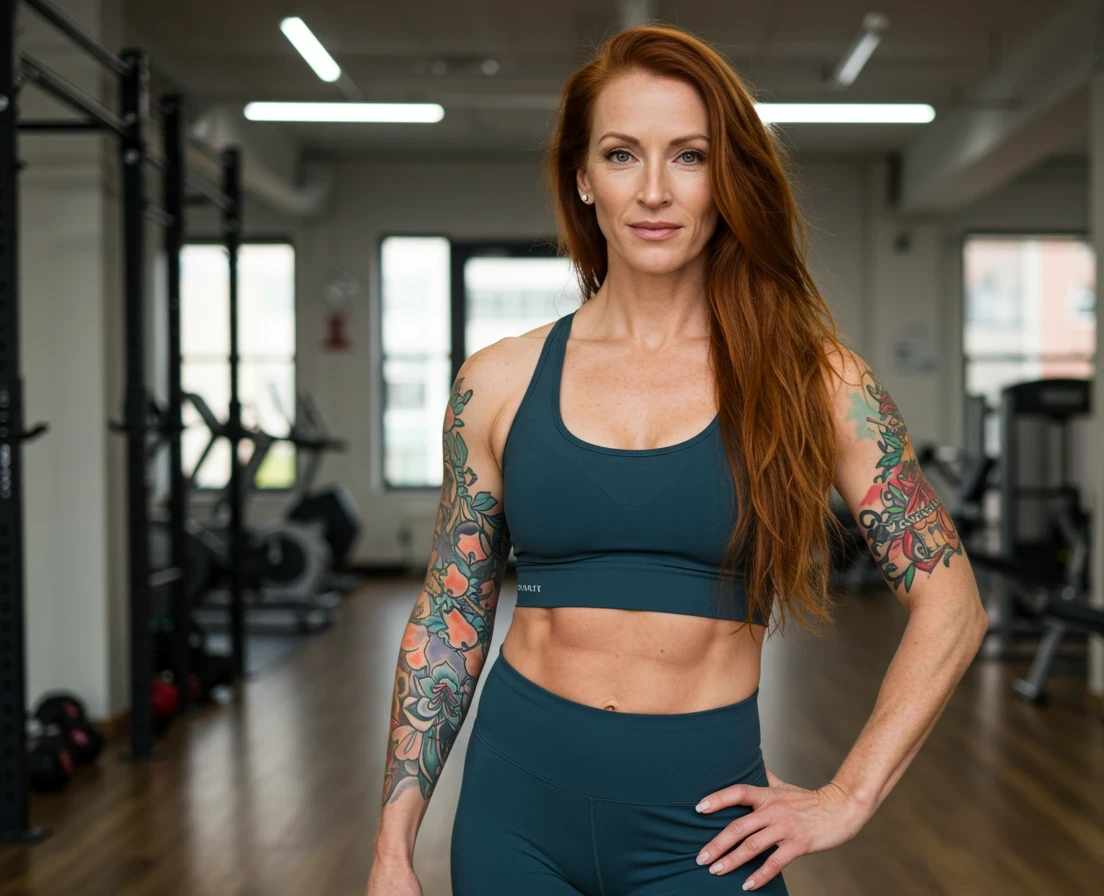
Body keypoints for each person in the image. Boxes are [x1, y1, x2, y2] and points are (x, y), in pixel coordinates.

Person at [365, 23, 987, 896]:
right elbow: (451, 617)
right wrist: (393, 847)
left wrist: (848, 795)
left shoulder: (817, 383)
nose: (654, 190)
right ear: (582, 177)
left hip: (704, 834)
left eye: (689, 156)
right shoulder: (497, 382)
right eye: (622, 155)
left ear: (725, 176)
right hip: (516, 814)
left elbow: (951, 606)